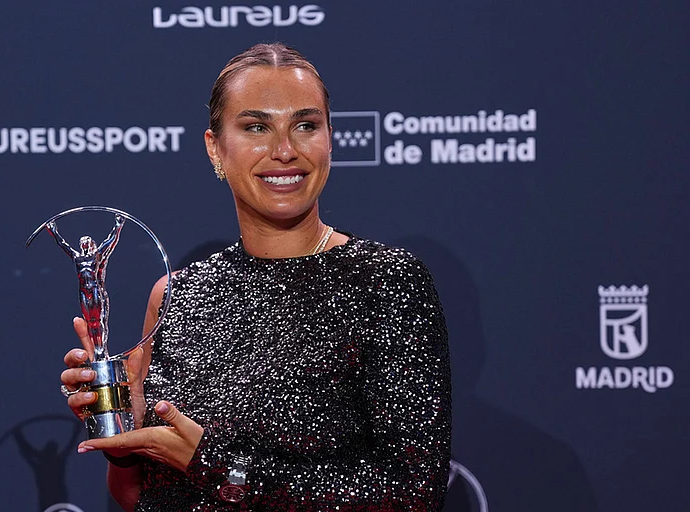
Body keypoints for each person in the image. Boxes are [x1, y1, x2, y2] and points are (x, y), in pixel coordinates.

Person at [60, 43, 451, 511]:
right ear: (215, 150)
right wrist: (126, 436)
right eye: (256, 127)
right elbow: (139, 497)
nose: (284, 150)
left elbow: (413, 497)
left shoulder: (387, 283)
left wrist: (213, 465)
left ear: (330, 139)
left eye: (306, 125)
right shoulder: (177, 295)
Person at [48, 215, 125, 360]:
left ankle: (101, 349)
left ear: (91, 244)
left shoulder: (96, 256)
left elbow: (110, 241)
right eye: (82, 242)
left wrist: (118, 225)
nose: (84, 244)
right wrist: (53, 230)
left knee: (98, 320)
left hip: (95, 290)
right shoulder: (76, 257)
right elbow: (62, 244)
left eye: (87, 241)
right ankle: (96, 350)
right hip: (83, 291)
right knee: (89, 321)